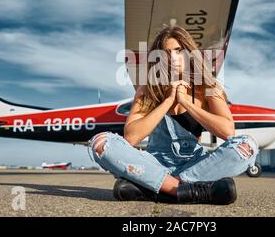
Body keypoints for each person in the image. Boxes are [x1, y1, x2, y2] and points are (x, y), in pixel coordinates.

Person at [87, 25, 259, 205]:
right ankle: (188, 190)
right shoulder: (147, 90)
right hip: (154, 163)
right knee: (101, 143)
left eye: (178, 50)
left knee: (247, 145)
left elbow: (227, 131)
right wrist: (168, 100)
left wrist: (185, 102)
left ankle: (155, 188)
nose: (172, 58)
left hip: (196, 164)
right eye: (165, 53)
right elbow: (131, 136)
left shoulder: (208, 86)